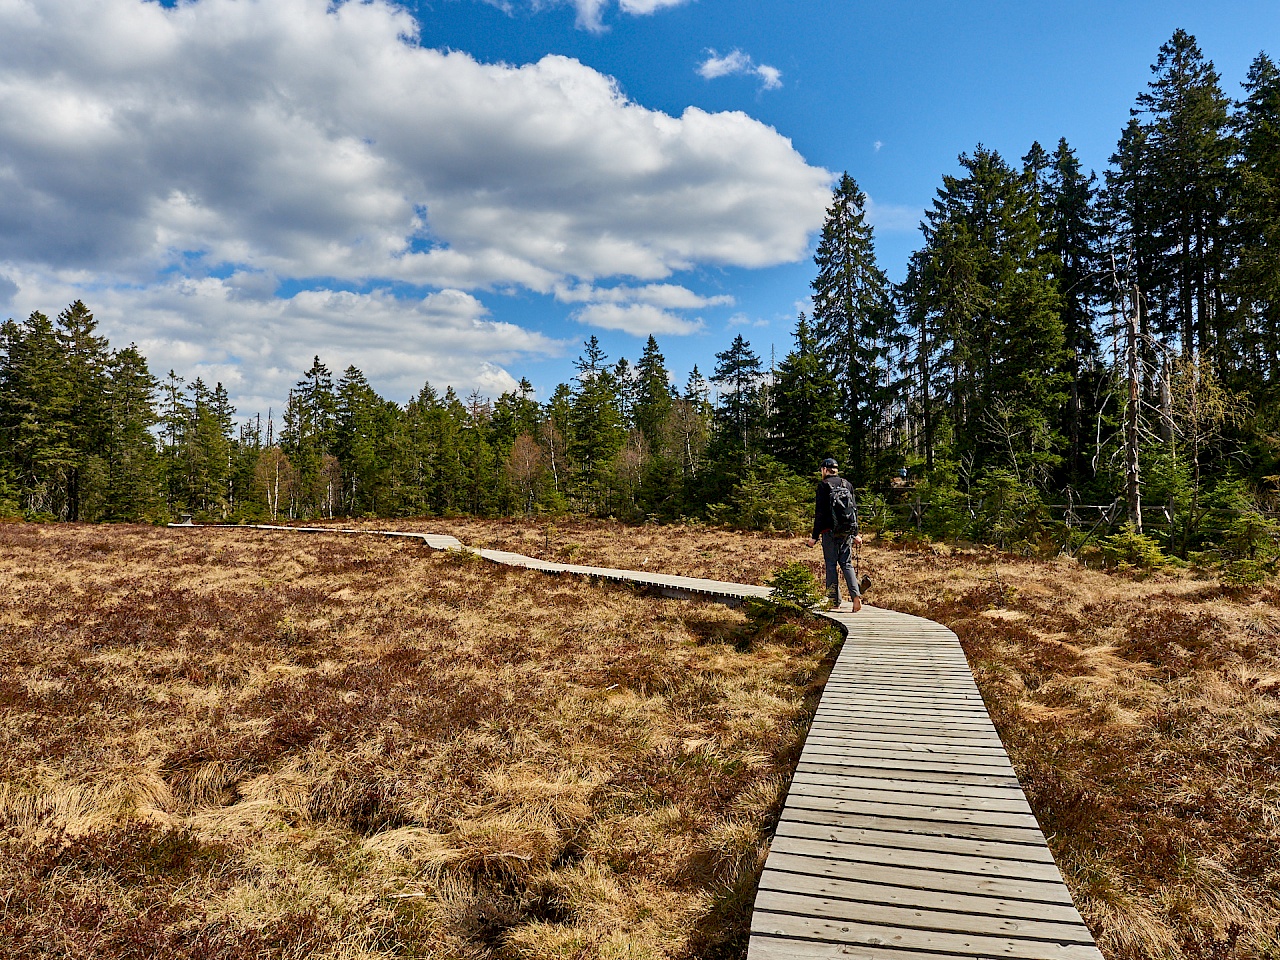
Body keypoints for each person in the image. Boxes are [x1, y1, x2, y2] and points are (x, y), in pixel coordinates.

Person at [806, 457, 862, 612]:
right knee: (847, 563)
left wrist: (814, 537)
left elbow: (820, 514)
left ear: (824, 470)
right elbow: (854, 510)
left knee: (831, 565)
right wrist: (855, 533)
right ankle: (856, 597)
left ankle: (834, 601)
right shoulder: (847, 484)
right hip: (846, 532)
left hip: (829, 532)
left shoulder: (823, 486)